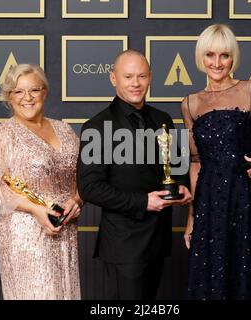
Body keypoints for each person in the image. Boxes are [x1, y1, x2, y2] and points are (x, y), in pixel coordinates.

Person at [181, 24, 251, 300]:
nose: (217, 63)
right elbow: (195, 162)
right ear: (201, 57)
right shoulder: (190, 103)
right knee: (212, 277)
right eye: (210, 55)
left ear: (233, 58)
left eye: (224, 55)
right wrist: (191, 218)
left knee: (247, 273)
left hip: (244, 197)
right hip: (208, 203)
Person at [77, 50, 192, 300]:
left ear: (150, 77)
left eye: (141, 76)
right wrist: (143, 202)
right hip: (124, 244)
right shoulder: (96, 126)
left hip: (159, 241)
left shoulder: (162, 119)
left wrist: (183, 186)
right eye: (128, 76)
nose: (136, 83)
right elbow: (89, 187)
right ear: (113, 79)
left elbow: (179, 166)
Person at [0, 64, 82, 299]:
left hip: (65, 229)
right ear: (9, 97)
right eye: (18, 92)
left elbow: (82, 178)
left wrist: (77, 200)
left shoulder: (65, 130)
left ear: (45, 92)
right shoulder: (3, 135)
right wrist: (35, 209)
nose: (27, 98)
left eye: (34, 90)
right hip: (25, 234)